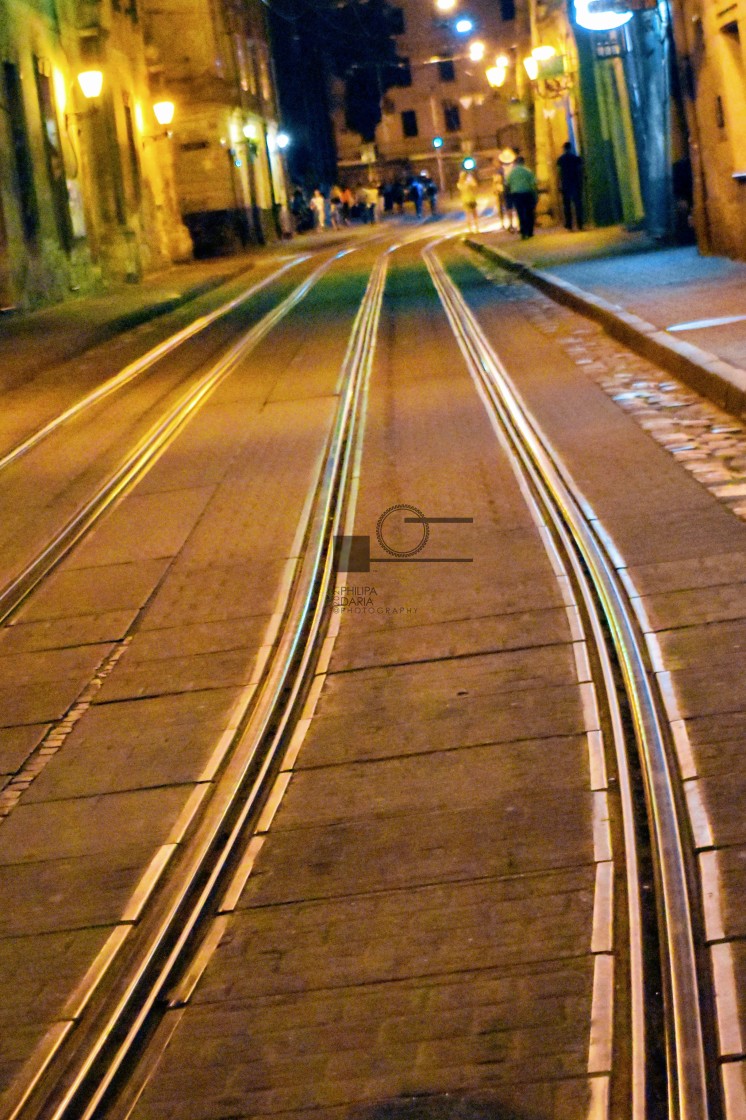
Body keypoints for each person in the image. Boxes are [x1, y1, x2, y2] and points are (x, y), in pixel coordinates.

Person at [506, 156, 537, 239]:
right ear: (523, 162)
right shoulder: (528, 171)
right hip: (527, 193)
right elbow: (533, 183)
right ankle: (530, 231)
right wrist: (535, 194)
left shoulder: (512, 172)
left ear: (516, 163)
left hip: (516, 195)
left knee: (520, 213)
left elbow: (507, 183)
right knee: (529, 212)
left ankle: (523, 231)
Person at [557, 142, 584, 231]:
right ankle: (580, 224)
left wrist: (559, 184)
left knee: (567, 205)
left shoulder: (561, 159)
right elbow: (580, 170)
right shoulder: (576, 158)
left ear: (564, 149)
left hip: (566, 184)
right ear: (570, 148)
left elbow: (559, 172)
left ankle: (569, 225)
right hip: (575, 183)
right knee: (578, 204)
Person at [457, 169, 479, 233]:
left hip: (465, 200)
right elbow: (475, 185)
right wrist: (471, 177)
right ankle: (476, 228)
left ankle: (470, 229)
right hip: (471, 199)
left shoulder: (459, 184)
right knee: (475, 214)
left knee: (468, 215)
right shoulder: (468, 182)